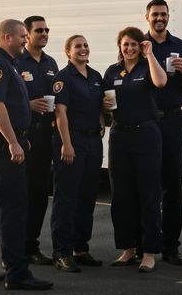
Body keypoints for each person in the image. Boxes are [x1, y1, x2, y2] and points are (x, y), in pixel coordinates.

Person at [0, 19, 53, 291]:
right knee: (12, 208)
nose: (25, 40)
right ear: (7, 37)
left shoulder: (8, 63)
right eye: (21, 36)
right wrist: (13, 142)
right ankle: (17, 272)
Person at [103, 26, 168, 273]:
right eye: (125, 44)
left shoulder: (147, 66)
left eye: (134, 44)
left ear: (140, 46)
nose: (129, 49)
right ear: (119, 47)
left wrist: (149, 54)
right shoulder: (112, 71)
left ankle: (149, 252)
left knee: (149, 194)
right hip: (120, 135)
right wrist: (104, 105)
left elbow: (161, 82)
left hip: (146, 135)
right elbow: (105, 101)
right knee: (121, 195)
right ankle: (127, 248)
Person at [144, 0, 182, 265]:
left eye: (163, 14)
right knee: (146, 186)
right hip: (146, 123)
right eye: (155, 14)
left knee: (173, 188)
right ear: (147, 17)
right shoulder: (139, 45)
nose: (159, 18)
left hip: (174, 122)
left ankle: (170, 247)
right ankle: (145, 245)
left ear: (168, 17)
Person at [50, 34, 105, 273]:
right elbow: (60, 112)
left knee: (87, 196)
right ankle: (62, 252)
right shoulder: (63, 78)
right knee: (67, 197)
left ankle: (80, 248)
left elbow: (99, 105)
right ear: (68, 52)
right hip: (73, 140)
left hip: (93, 141)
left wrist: (102, 119)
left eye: (85, 45)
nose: (83, 49)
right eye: (78, 46)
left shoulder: (95, 76)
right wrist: (67, 144)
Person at [17, 15, 59, 265]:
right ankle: (16, 249)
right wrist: (28, 105)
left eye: (47, 30)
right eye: (39, 30)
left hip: (45, 136)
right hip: (24, 135)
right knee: (21, 194)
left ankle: (31, 246)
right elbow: (5, 98)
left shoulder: (50, 62)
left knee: (40, 194)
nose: (44, 34)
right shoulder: (16, 62)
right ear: (27, 34)